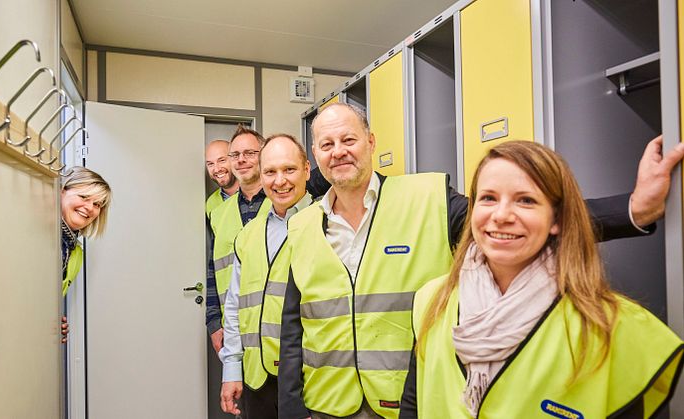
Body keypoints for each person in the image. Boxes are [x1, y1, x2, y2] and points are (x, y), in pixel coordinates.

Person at [278, 102, 684, 419]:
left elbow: (510, 223)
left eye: (348, 140)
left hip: (403, 398)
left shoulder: (427, 198)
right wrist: (294, 411)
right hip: (328, 405)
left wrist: (633, 209)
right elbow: (293, 328)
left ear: (371, 141)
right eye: (327, 145)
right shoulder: (302, 227)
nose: (338, 152)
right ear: (315, 154)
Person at [401, 141, 683, 418]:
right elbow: (414, 406)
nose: (501, 215)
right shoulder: (432, 301)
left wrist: (635, 207)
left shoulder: (612, 327)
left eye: (526, 200)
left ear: (556, 219)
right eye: (488, 198)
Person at [220, 134, 313, 418]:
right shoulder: (248, 236)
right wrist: (232, 368)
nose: (280, 180)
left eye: (289, 169)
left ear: (307, 170)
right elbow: (235, 306)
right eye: (270, 172)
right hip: (256, 377)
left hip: (309, 378)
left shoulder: (327, 223)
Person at [205, 125, 272, 355]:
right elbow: (213, 270)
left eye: (250, 154)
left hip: (279, 327)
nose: (241, 160)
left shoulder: (287, 205)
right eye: (235, 155)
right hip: (234, 328)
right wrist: (214, 322)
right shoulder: (218, 213)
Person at [60, 166, 112, 343]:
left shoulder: (74, 251)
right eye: (83, 197)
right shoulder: (42, 238)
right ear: (61, 192)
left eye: (97, 204)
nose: (90, 208)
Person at [205, 139, 239, 218]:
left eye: (222, 160)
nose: (217, 169)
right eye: (210, 164)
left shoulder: (258, 193)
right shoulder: (211, 203)